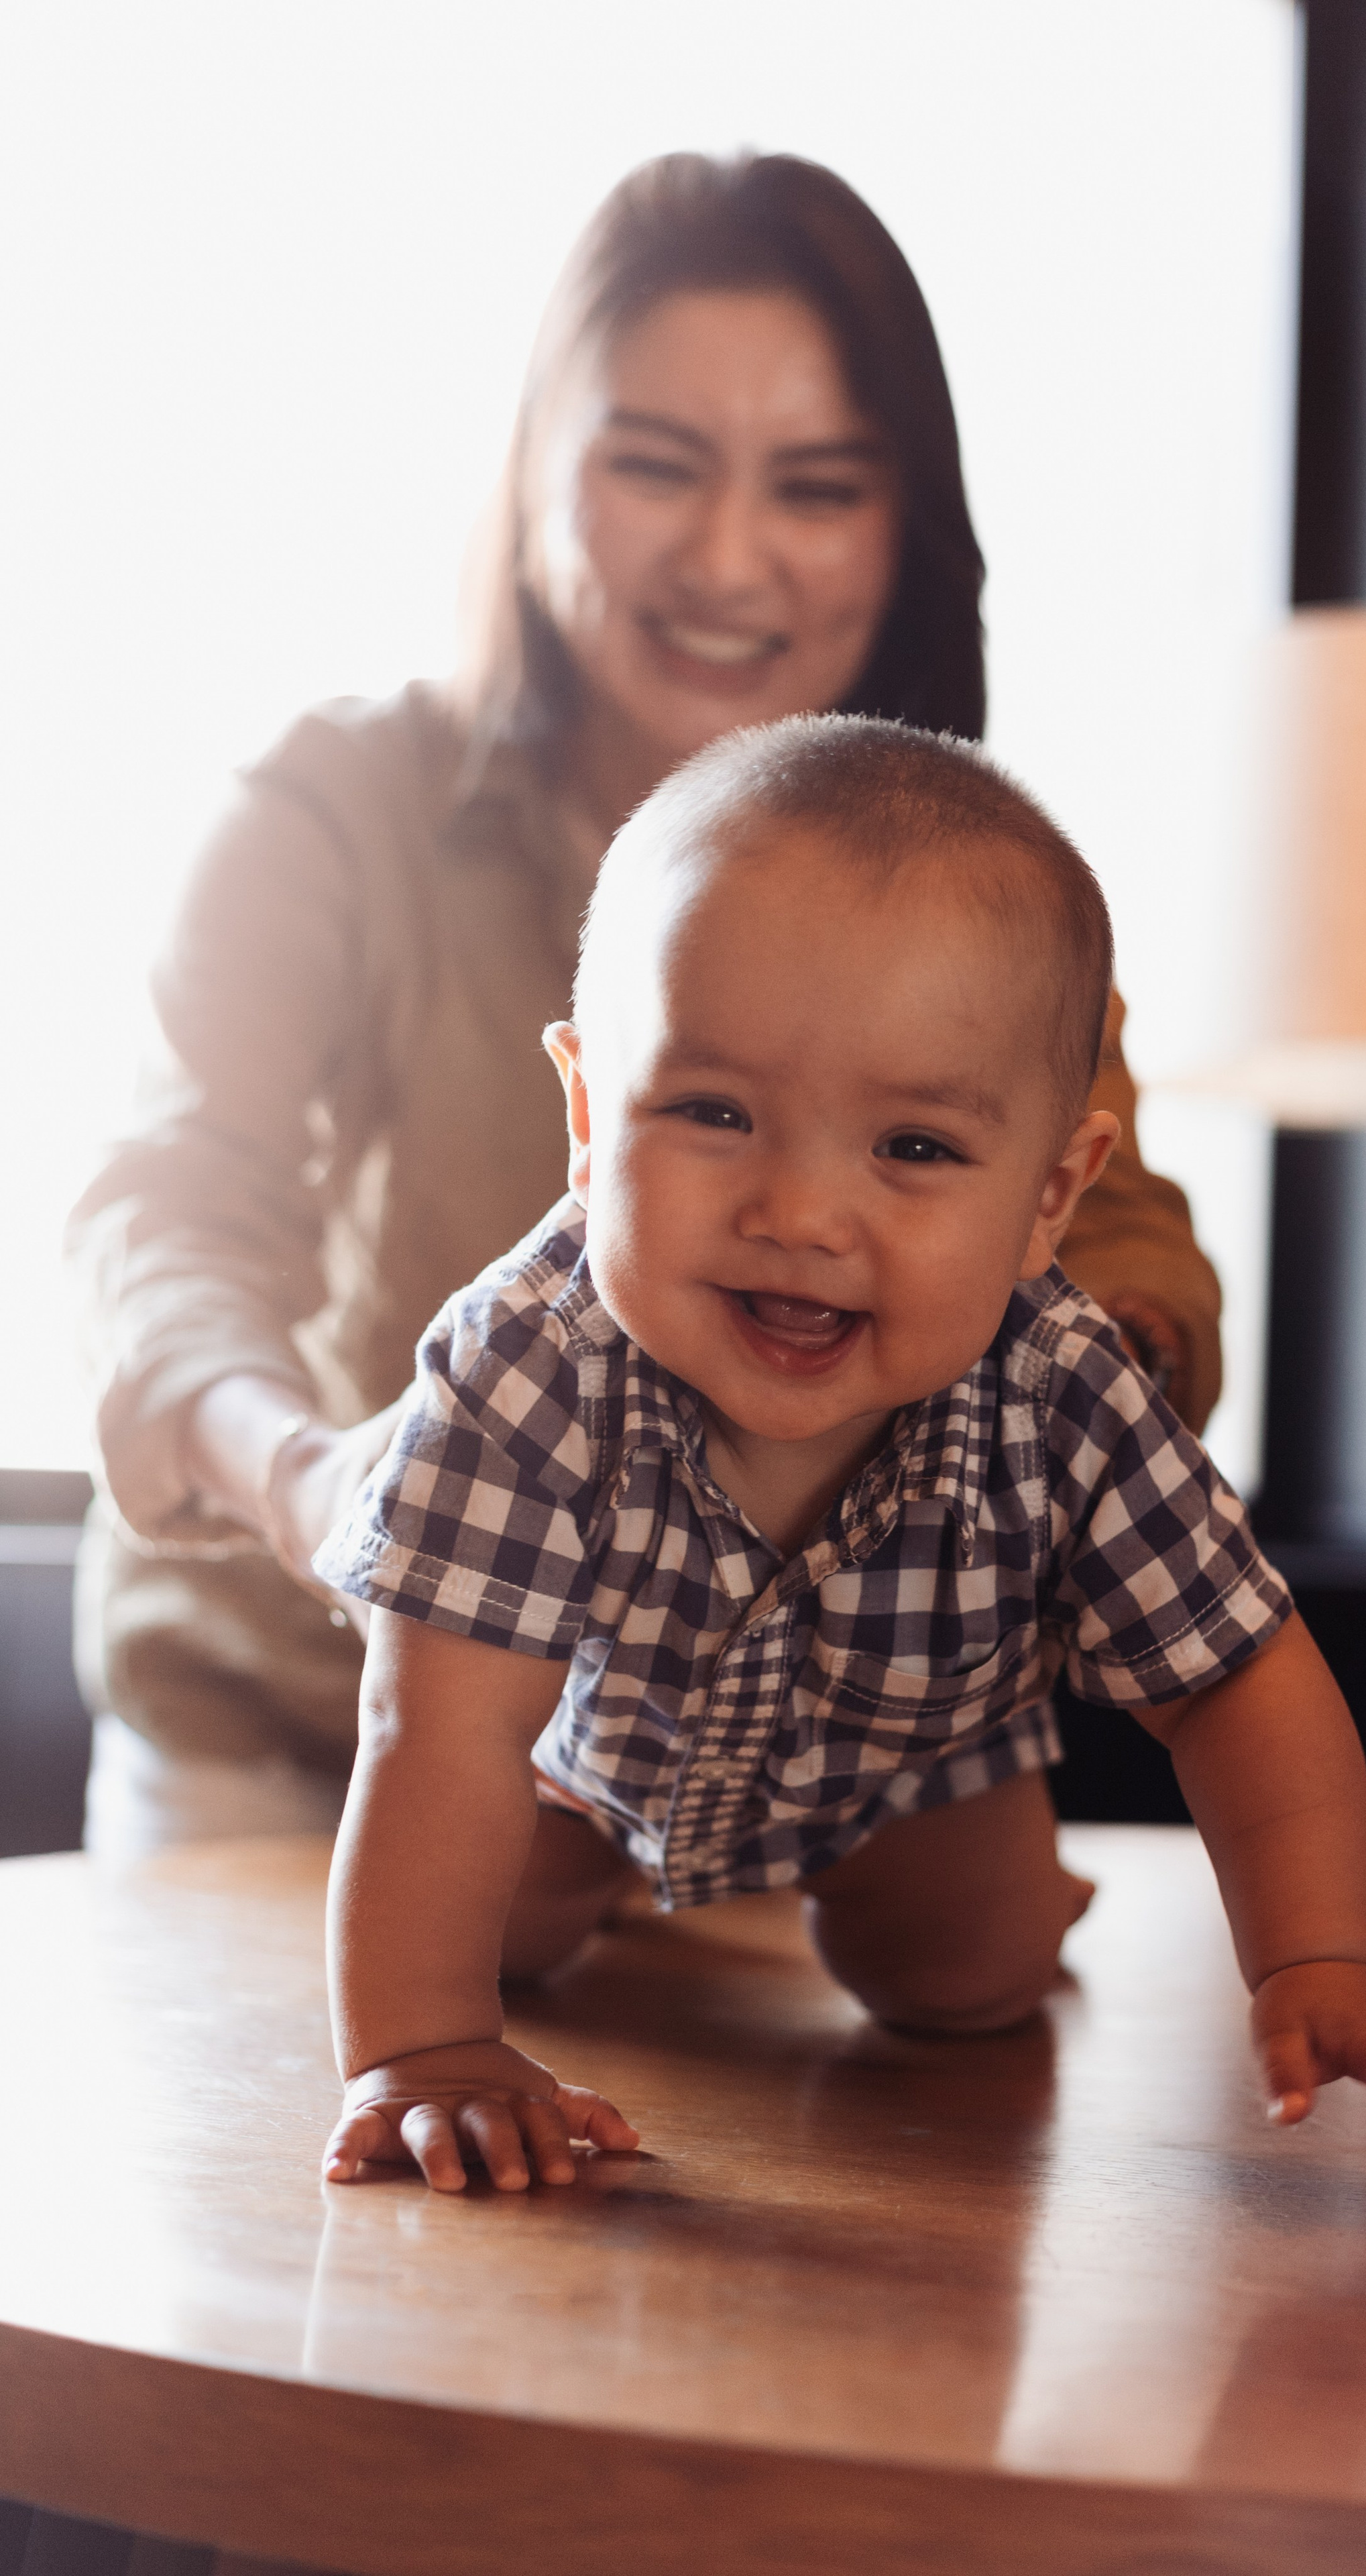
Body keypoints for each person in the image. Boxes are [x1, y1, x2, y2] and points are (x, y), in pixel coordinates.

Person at [67, 151, 1222, 1854]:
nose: (729, 560)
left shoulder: (974, 893)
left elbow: (1118, 1251)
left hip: (757, 1796)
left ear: (905, 536)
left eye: (817, 488)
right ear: (537, 472)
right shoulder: (332, 810)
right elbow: (169, 1224)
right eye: (656, 466)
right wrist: (313, 1483)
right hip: (297, 1748)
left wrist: (1072, 1390)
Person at [314, 718, 1366, 2194]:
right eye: (712, 1113)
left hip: (921, 1764)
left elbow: (1235, 1681)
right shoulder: (527, 1360)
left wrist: (1322, 1957)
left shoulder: (1066, 1380)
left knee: (968, 1982)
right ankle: (585, 1913)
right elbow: (436, 1733)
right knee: (489, 1931)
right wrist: (424, 2050)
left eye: (911, 1148)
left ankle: (1016, 1896)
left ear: (1051, 1194)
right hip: (587, 1764)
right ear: (588, 1115)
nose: (800, 1212)